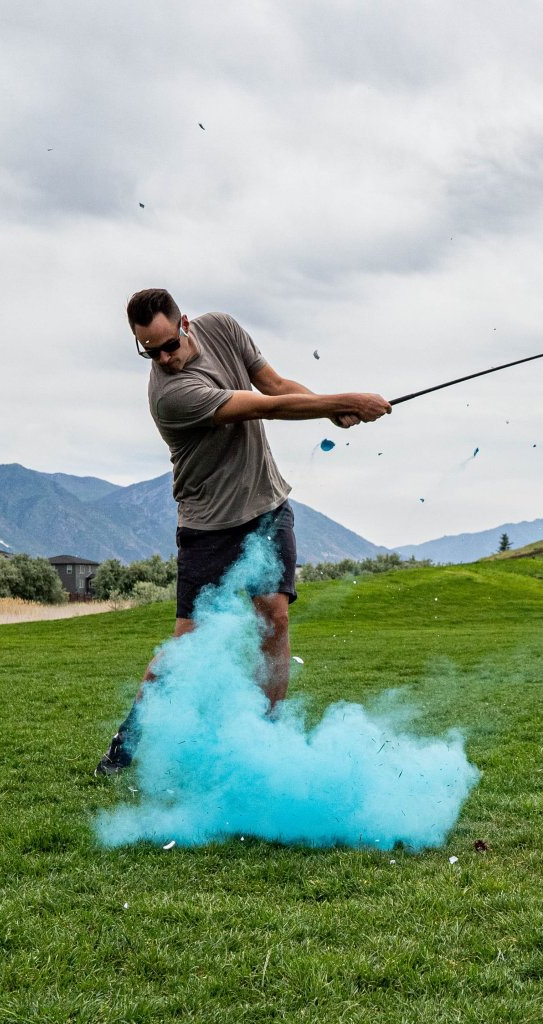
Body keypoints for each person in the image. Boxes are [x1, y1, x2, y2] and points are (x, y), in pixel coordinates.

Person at [95, 288, 391, 775]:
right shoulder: (171, 395)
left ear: (184, 322)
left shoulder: (223, 328)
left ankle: (264, 740)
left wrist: (326, 406)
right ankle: (127, 743)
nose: (164, 359)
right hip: (208, 525)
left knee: (274, 618)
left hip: (267, 508)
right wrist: (345, 399)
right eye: (151, 352)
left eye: (169, 345)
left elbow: (274, 386)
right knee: (187, 643)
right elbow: (262, 408)